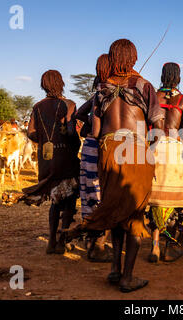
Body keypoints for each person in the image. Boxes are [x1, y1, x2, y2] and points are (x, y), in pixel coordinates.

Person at [65, 39, 165, 293]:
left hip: (108, 150)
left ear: (112, 57)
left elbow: (96, 131)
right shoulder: (144, 85)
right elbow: (159, 127)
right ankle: (127, 278)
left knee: (115, 207)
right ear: (133, 57)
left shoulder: (102, 88)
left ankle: (114, 269)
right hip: (135, 149)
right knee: (133, 213)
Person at [22, 70, 81, 254]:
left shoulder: (38, 106)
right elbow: (72, 133)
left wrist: (45, 138)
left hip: (46, 160)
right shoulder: (69, 104)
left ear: (43, 85)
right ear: (61, 83)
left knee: (55, 201)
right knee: (69, 200)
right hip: (66, 158)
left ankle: (51, 242)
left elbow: (30, 132)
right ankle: (62, 241)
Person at [147, 62, 183, 263]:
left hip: (153, 148)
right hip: (175, 151)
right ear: (178, 78)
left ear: (162, 76)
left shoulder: (152, 97)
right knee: (171, 202)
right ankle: (168, 247)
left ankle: (154, 246)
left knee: (155, 201)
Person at [73, 53, 113, 262]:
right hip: (103, 145)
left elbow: (78, 114)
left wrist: (84, 129)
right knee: (102, 193)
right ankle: (99, 244)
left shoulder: (95, 95)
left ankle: (91, 241)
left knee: (89, 192)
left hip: (89, 147)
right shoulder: (110, 93)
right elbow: (97, 131)